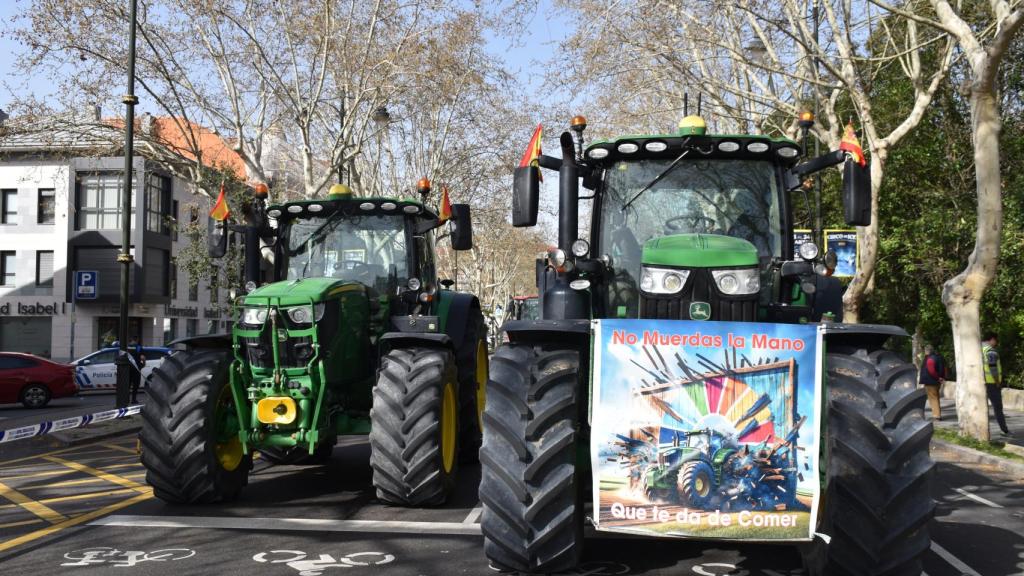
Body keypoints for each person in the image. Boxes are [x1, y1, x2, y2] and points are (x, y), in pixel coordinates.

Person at [982, 333, 1011, 436]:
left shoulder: (979, 350)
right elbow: (993, 368)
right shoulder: (991, 351)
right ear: (992, 339)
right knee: (998, 407)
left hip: (982, 382)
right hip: (992, 383)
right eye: (996, 340)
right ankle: (1004, 430)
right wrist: (997, 381)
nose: (996, 343)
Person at [919, 344, 946, 420]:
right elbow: (944, 368)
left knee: (933, 399)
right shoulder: (939, 357)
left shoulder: (930, 359)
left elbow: (931, 371)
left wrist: (938, 378)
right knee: (936, 398)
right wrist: (942, 378)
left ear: (926, 351)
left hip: (931, 381)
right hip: (937, 381)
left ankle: (936, 416)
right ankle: (937, 414)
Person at [127, 338, 146, 404]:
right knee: (135, 385)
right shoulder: (139, 348)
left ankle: (126, 399)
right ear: (136, 340)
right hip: (136, 369)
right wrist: (143, 364)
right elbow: (142, 358)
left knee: (127, 385)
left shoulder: (127, 348)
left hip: (127, 369)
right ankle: (133, 400)